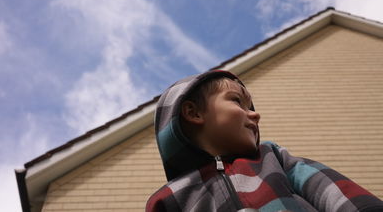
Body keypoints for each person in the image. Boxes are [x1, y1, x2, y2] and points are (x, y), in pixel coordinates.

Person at [146, 70, 383, 211]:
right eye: (237, 101)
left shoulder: (275, 158)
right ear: (194, 113)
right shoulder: (169, 198)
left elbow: (334, 193)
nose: (256, 114)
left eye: (251, 107)